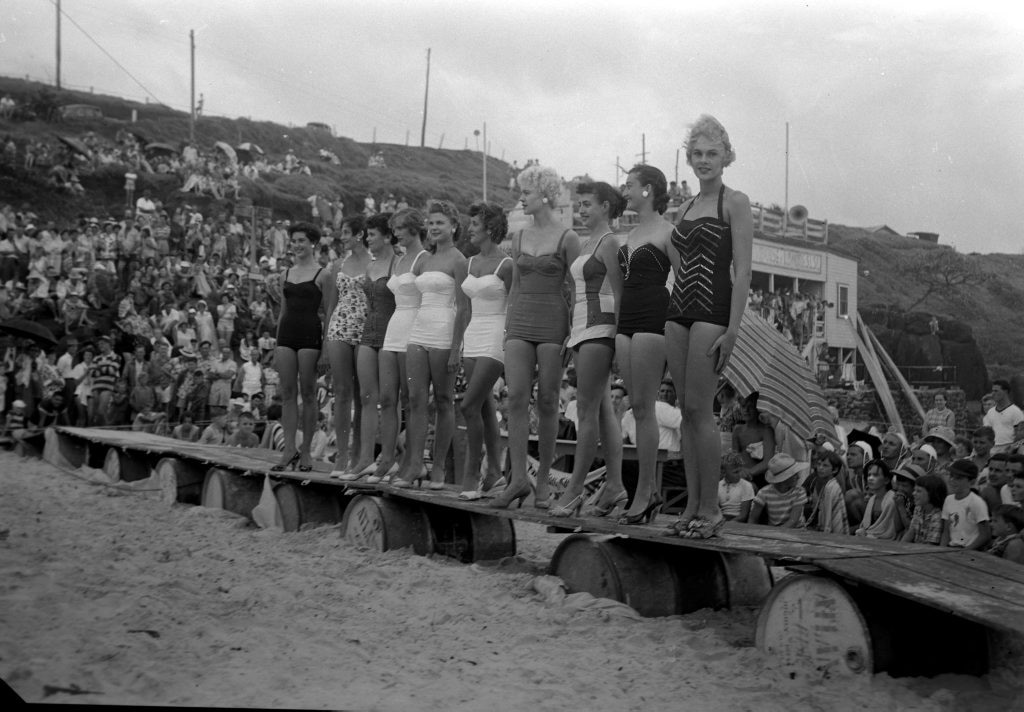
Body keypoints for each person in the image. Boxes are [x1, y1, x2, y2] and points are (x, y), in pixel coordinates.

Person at [664, 116, 753, 540]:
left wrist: (733, 331)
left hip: (712, 309)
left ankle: (711, 509)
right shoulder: (683, 207)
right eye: (697, 154)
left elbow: (743, 270)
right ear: (689, 158)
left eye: (712, 153)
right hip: (678, 309)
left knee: (702, 411)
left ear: (726, 157)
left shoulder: (734, 202)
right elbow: (677, 263)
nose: (704, 161)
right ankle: (692, 506)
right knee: (685, 412)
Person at [489, 165, 580, 510]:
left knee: (547, 401)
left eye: (526, 193)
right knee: (515, 399)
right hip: (521, 319)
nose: (521, 199)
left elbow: (575, 287)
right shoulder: (518, 237)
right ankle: (516, 481)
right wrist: (509, 325)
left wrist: (571, 332)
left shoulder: (567, 237)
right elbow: (515, 288)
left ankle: (542, 483)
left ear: (544, 195)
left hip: (554, 321)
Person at [550, 182, 627, 517]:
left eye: (586, 205)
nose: (580, 210)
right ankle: (616, 486)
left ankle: (575, 490)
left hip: (600, 326)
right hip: (583, 328)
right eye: (579, 205)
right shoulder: (587, 241)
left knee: (587, 410)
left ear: (606, 207)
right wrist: (571, 333)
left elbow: (620, 292)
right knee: (602, 411)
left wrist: (620, 337)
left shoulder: (610, 242)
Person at [613, 164, 673, 525]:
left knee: (644, 406)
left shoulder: (668, 231)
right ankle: (643, 489)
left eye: (630, 184)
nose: (625, 190)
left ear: (648, 189)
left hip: (654, 317)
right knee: (634, 406)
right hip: (627, 320)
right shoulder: (631, 231)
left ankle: (647, 490)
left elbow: (682, 281)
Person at [395, 200, 468, 489]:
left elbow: (463, 308)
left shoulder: (459, 260)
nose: (434, 227)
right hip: (419, 330)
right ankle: (414, 465)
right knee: (414, 400)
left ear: (453, 226)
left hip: (443, 330)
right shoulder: (423, 259)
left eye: (440, 222)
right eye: (431, 222)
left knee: (443, 401)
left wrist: (455, 349)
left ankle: (438, 468)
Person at [456, 202, 514, 500]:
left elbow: (514, 306)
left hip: (495, 333)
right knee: (483, 406)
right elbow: (464, 310)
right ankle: (494, 474)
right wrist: (458, 345)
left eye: (475, 224)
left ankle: (472, 473)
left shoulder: (507, 265)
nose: (470, 229)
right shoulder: (468, 262)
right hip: (472, 334)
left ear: (490, 228)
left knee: (468, 406)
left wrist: (508, 339)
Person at [373, 209, 428, 484]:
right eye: (393, 229)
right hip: (394, 328)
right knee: (386, 399)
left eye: (399, 229)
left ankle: (414, 461)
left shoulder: (423, 258)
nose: (395, 234)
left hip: (414, 329)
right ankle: (387, 458)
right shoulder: (399, 259)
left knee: (412, 401)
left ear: (414, 229)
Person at [272, 222, 331, 472]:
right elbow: (282, 312)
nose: (297, 245)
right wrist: (276, 344)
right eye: (294, 240)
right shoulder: (286, 274)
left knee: (308, 394)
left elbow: (329, 313)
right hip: (286, 335)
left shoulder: (323, 274)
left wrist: (326, 349)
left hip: (310, 335)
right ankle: (288, 450)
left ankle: (306, 451)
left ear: (312, 243)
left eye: (301, 240)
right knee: (286, 394)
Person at [344, 213, 396, 482]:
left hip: (392, 333)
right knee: (366, 398)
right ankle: (364, 459)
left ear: (387, 236)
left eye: (372, 234)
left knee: (389, 400)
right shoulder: (371, 266)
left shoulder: (398, 264)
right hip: (369, 330)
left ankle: (388, 459)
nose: (368, 239)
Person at [323, 216, 370, 477]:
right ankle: (341, 454)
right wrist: (324, 342)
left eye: (346, 232)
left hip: (365, 328)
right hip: (339, 326)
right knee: (341, 393)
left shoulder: (375, 263)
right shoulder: (338, 264)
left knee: (363, 395)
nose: (342, 237)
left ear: (360, 234)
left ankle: (358, 456)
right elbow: (331, 304)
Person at [940, 459, 991, 550]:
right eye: (951, 476)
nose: (952, 480)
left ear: (972, 482)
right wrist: (941, 550)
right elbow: (946, 531)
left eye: (958, 478)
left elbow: (985, 535)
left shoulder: (977, 502)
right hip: (951, 548)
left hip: (970, 550)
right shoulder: (948, 499)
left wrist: (966, 551)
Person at [749, 453, 808, 528]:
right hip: (774, 529)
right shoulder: (764, 493)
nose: (798, 477)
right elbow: (753, 518)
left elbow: (793, 521)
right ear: (784, 479)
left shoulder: (799, 492)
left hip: (796, 530)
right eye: (794, 475)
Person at [731, 393, 776, 489]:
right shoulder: (737, 429)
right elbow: (734, 456)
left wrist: (749, 472)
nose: (746, 410)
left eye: (750, 407)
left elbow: (768, 460)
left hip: (759, 476)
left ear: (758, 408)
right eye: (743, 406)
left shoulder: (766, 431)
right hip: (740, 475)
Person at [855, 460, 903, 540]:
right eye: (869, 475)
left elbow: (889, 531)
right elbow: (866, 526)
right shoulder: (872, 499)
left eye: (875, 475)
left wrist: (870, 535)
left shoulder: (892, 499)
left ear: (886, 480)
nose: (870, 478)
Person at [807, 450, 849, 534]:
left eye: (825, 465)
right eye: (819, 464)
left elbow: (828, 519)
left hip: (833, 532)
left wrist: (825, 535)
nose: (820, 468)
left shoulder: (830, 487)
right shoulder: (828, 484)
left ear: (834, 470)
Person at [902, 473, 948, 545]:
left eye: (919, 491)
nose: (914, 493)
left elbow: (930, 545)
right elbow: (911, 532)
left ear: (932, 494)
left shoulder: (937, 516)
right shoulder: (918, 509)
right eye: (914, 490)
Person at [984, 380, 1024, 453]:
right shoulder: (990, 412)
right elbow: (986, 432)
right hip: (991, 450)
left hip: (1009, 451)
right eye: (992, 391)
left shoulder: (1016, 411)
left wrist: (1011, 449)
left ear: (1005, 392)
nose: (993, 394)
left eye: (996, 391)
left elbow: (1021, 436)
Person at [718, 452, 754, 522]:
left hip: (738, 520)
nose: (739, 474)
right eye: (735, 472)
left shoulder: (746, 486)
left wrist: (728, 524)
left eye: (740, 471)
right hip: (722, 518)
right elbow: (716, 509)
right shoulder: (718, 486)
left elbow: (743, 515)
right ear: (724, 472)